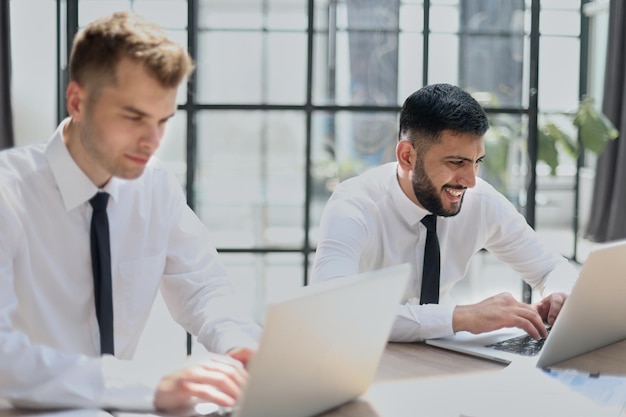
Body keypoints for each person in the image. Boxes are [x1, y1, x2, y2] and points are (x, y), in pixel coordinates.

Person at [0, 11, 261, 412]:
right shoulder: (7, 193)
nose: (152, 141)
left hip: (120, 406)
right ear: (77, 101)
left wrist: (242, 346)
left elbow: (204, 288)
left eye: (163, 121)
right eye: (134, 117)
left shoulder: (154, 186)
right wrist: (149, 385)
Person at [312, 83, 578, 343]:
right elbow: (334, 310)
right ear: (407, 156)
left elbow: (551, 268)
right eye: (456, 162)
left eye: (477, 162)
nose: (470, 181)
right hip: (362, 360)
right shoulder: (354, 206)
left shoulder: (480, 200)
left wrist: (558, 295)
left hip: (440, 359)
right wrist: (460, 317)